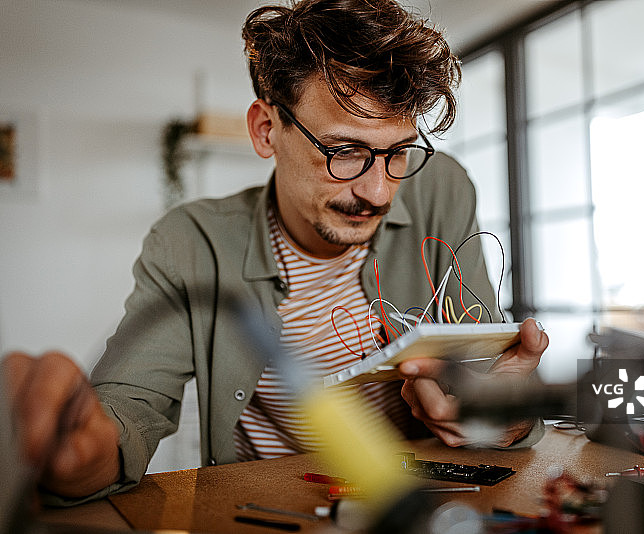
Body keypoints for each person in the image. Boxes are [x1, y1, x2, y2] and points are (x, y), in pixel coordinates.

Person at [2, 0, 548, 504]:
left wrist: (506, 416)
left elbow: (489, 369)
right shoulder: (191, 242)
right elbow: (129, 410)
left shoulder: (443, 189)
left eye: (399, 152)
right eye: (343, 151)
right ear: (266, 130)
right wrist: (83, 450)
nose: (379, 191)